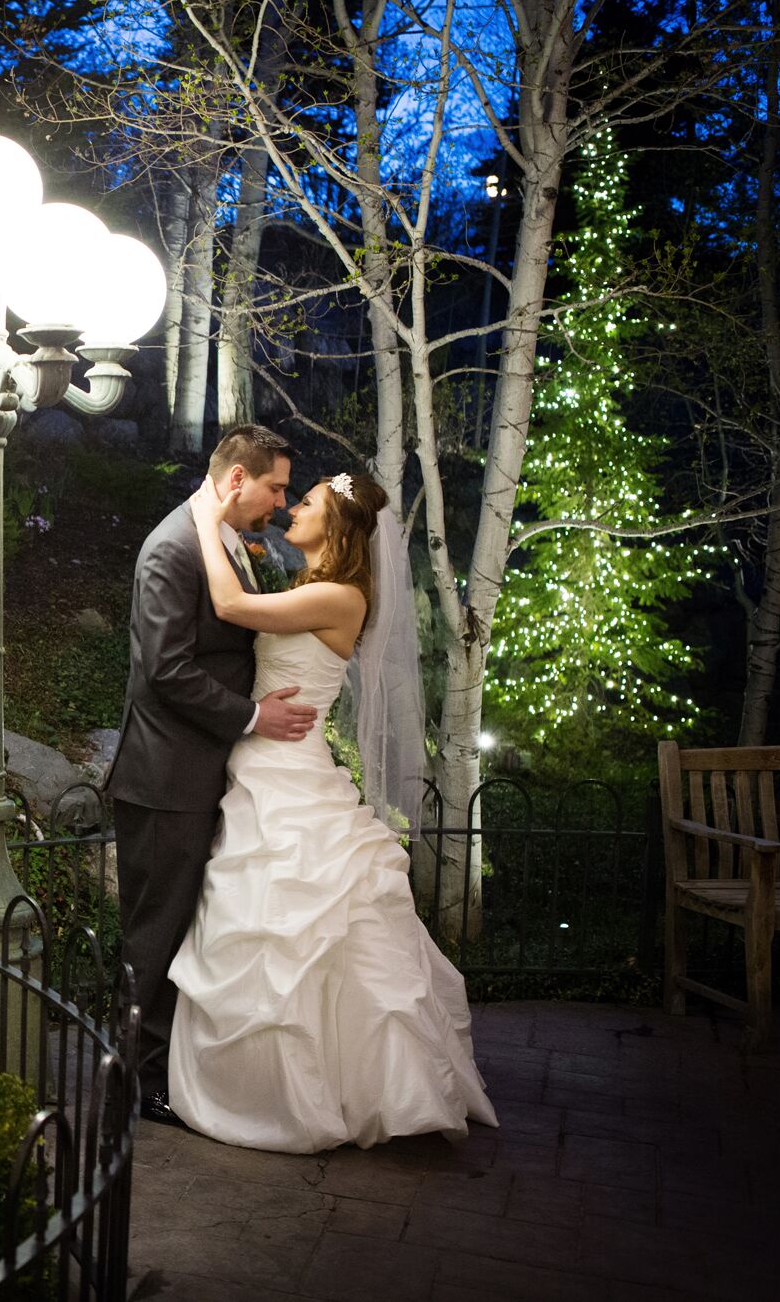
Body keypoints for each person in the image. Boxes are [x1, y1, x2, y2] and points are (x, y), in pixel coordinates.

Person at [167, 468, 498, 1152]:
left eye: (308, 501)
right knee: (280, 929)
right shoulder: (308, 586)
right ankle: (274, 1082)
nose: (293, 508)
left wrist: (206, 514)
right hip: (266, 768)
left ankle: (340, 1090)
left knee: (299, 927)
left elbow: (230, 606)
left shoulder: (341, 595)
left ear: (337, 526)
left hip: (291, 779)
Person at [103, 425, 318, 1127]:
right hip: (165, 780)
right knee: (152, 936)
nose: (281, 503)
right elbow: (167, 671)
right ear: (235, 481)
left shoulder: (227, 540)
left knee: (176, 932)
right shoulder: (173, 546)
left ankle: (161, 1070)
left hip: (197, 775)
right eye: (275, 487)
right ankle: (131, 1084)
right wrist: (253, 718)